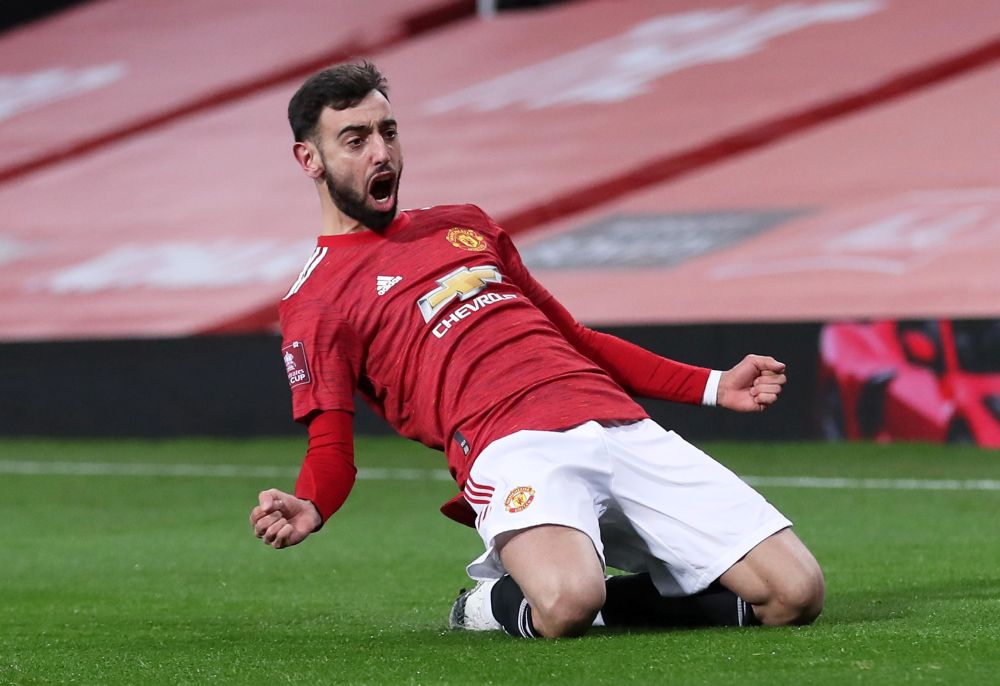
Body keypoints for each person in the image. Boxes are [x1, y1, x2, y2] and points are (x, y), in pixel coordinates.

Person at [249, 61, 824, 638]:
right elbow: (331, 446)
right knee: (567, 604)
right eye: (356, 140)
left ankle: (612, 598)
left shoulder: (465, 224)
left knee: (796, 594)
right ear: (310, 159)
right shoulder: (315, 301)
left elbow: (575, 338)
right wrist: (312, 503)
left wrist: (712, 384)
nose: (382, 153)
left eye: (389, 132)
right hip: (510, 445)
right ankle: (489, 605)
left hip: (619, 424)